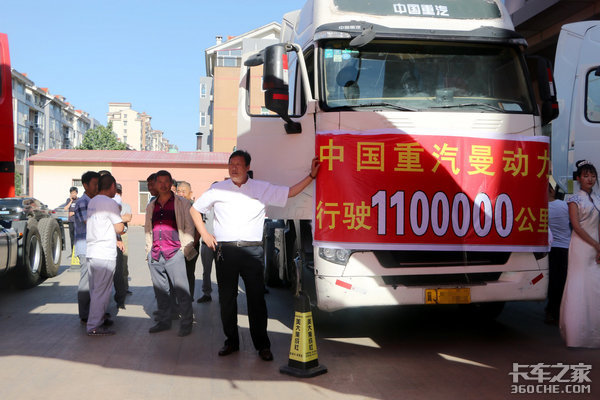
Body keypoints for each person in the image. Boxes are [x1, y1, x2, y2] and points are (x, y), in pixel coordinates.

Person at [190, 150, 320, 361]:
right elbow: (195, 210)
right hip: (225, 251)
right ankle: (231, 341)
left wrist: (311, 176)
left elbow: (290, 193)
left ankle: (262, 345)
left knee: (256, 300)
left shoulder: (261, 188)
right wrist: (204, 234)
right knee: (227, 299)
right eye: (231, 164)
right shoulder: (218, 189)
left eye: (238, 164)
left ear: (248, 167)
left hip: (252, 252)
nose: (234, 168)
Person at [145, 170, 197, 337]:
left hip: (174, 253)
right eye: (159, 182)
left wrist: (184, 250)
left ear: (171, 183)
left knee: (182, 291)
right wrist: (149, 251)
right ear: (155, 184)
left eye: (166, 181)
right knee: (161, 292)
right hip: (156, 254)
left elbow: (189, 228)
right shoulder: (151, 205)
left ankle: (186, 323)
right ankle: (164, 321)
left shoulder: (182, 203)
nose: (163, 185)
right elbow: (148, 230)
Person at [560, 160, 600, 348]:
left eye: (593, 175)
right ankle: (576, 335)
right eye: (586, 175)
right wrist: (596, 244)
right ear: (578, 178)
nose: (590, 179)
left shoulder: (597, 199)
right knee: (579, 284)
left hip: (596, 246)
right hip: (581, 246)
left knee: (594, 286)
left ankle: (593, 334)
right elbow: (576, 227)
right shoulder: (574, 199)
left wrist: (599, 247)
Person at [86, 174, 124, 336]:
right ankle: (94, 326)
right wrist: (123, 222)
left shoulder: (93, 201)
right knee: (101, 292)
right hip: (104, 253)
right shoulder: (110, 203)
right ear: (113, 186)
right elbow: (119, 228)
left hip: (92, 252)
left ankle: (95, 321)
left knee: (95, 290)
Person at [73, 171, 100, 323]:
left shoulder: (95, 201)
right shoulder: (83, 202)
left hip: (94, 247)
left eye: (98, 184)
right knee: (86, 282)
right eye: (95, 184)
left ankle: (95, 313)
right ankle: (85, 314)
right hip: (86, 247)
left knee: (95, 283)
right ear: (85, 185)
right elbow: (88, 223)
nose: (97, 187)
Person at [545, 179, 571, 324]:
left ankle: (551, 311)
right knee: (561, 282)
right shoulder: (564, 205)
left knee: (553, 281)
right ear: (552, 190)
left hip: (549, 248)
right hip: (564, 248)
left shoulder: (540, 209)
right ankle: (556, 312)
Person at [176, 181, 202, 300]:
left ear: (190, 193)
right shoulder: (174, 206)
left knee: (188, 272)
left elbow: (198, 230)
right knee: (176, 274)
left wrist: (192, 245)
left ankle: (188, 298)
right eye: (178, 191)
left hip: (191, 246)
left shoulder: (195, 208)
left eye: (184, 191)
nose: (180, 194)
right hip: (176, 246)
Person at [117, 184, 133, 296]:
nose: (117, 194)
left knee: (123, 262)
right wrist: (120, 218)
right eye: (115, 192)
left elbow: (128, 217)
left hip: (123, 235)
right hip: (110, 237)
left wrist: (112, 217)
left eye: (118, 192)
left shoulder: (126, 206)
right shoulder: (107, 205)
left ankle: (124, 287)